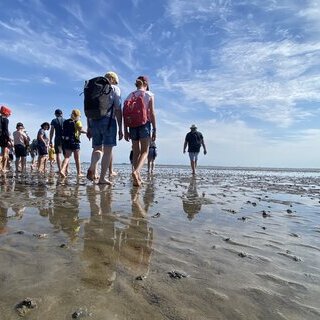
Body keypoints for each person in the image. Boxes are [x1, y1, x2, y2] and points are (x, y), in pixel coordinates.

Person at [86, 71, 123, 185]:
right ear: (112, 79)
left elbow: (88, 109)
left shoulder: (94, 88)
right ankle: (102, 178)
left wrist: (89, 127)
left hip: (93, 121)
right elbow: (117, 108)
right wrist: (120, 127)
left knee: (97, 148)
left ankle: (93, 168)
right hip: (108, 121)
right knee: (107, 151)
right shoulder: (114, 89)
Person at [124, 76, 156, 186]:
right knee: (145, 152)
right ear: (146, 84)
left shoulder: (130, 95)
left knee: (136, 151)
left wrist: (125, 130)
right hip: (144, 124)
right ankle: (136, 172)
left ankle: (137, 176)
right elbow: (152, 114)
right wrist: (155, 129)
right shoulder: (149, 94)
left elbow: (125, 113)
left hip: (132, 126)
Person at [60, 109, 86, 177]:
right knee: (77, 159)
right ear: (78, 115)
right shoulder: (78, 122)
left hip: (66, 141)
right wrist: (87, 132)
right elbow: (80, 130)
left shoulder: (66, 122)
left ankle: (62, 169)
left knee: (67, 157)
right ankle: (79, 173)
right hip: (75, 141)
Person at [0, 105, 12, 172]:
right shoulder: (5, 119)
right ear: (6, 112)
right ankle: (3, 168)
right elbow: (6, 131)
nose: (10, 114)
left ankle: (1, 168)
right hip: (3, 137)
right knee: (3, 153)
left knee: (2, 153)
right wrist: (9, 140)